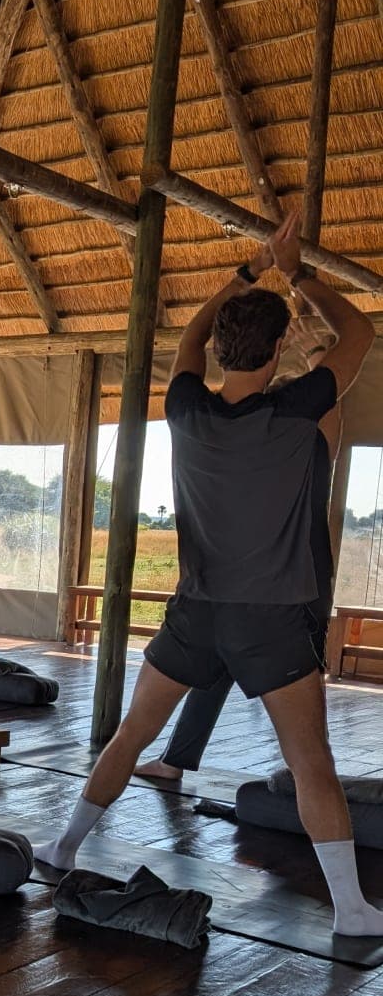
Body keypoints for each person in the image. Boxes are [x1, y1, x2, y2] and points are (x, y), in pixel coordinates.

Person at [33, 211, 383, 935]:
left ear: (222, 347)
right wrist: (297, 271)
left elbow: (188, 340)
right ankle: (351, 909)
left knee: (132, 733)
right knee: (311, 762)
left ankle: (62, 847)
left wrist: (250, 272)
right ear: (282, 347)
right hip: (271, 616)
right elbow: (360, 335)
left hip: (196, 611)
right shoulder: (298, 410)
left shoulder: (186, 409)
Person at [135, 308, 342, 783]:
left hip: (293, 587)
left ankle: (307, 774)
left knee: (294, 713)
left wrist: (314, 353)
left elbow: (331, 404)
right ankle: (176, 760)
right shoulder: (266, 442)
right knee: (218, 659)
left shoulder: (307, 439)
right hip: (252, 586)